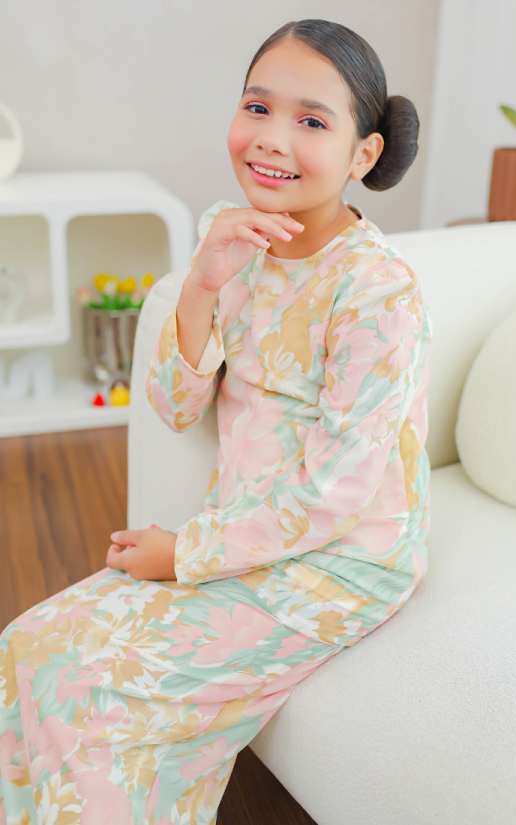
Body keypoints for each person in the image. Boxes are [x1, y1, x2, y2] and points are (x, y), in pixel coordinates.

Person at [0, 18, 432, 825]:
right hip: (245, 531)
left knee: (88, 695)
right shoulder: (233, 240)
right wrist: (203, 281)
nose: (271, 138)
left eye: (311, 121)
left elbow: (336, 495)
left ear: (362, 154)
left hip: (342, 561)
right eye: (256, 107)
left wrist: (184, 553)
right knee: (26, 644)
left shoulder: (377, 293)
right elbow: (175, 405)